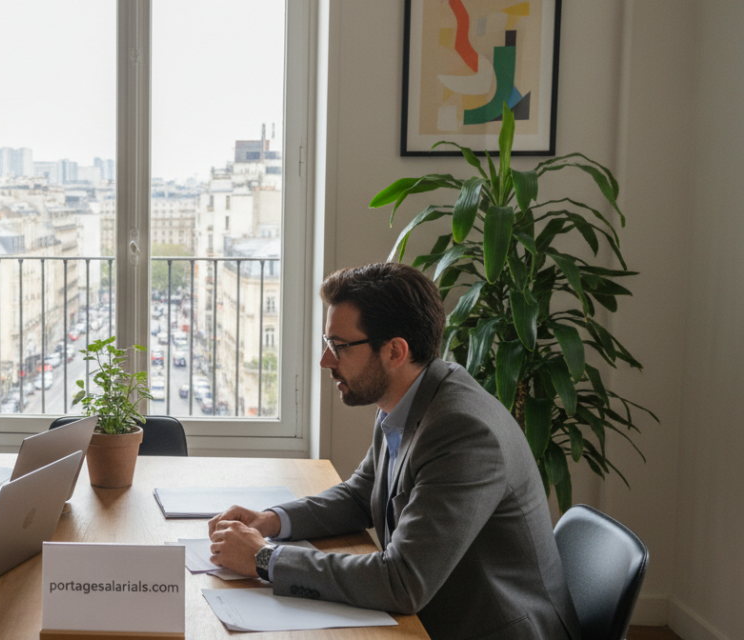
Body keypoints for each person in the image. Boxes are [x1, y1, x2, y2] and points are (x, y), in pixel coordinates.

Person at [207, 263, 581, 640]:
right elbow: (360, 496)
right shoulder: (406, 398)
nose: (326, 361)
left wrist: (265, 558)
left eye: (339, 346)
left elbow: (403, 582)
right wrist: (271, 521)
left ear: (395, 351)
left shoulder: (463, 431)